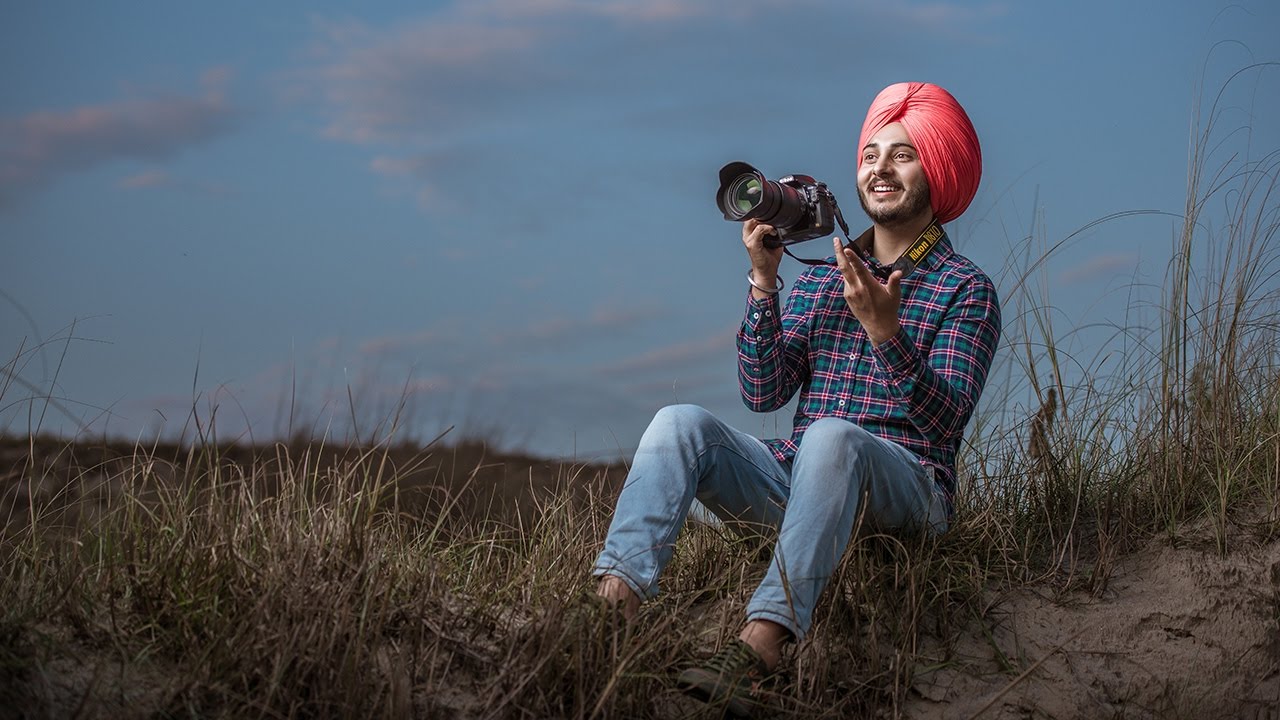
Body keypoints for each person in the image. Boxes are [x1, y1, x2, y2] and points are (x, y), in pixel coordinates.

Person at [590, 81, 1001, 717]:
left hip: (911, 490)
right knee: (679, 424)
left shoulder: (965, 288)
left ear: (938, 170)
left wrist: (884, 332)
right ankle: (607, 620)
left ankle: (760, 651)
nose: (879, 168)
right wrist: (764, 282)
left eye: (902, 154)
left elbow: (943, 422)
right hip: (801, 485)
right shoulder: (822, 278)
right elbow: (763, 392)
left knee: (833, 436)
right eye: (869, 154)